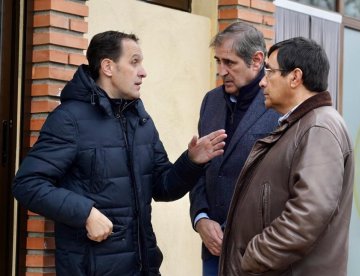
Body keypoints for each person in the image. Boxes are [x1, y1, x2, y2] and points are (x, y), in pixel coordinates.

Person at [12, 30, 227, 276]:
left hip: (143, 266)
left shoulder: (141, 121)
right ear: (108, 67)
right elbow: (27, 184)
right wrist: (85, 213)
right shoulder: (69, 119)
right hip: (91, 269)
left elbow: (162, 187)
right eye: (134, 62)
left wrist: (190, 162)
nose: (143, 71)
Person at [219, 37, 354, 276]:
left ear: (295, 77)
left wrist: (252, 257)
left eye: (269, 71)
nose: (262, 82)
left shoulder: (318, 127)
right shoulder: (301, 125)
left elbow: (308, 214)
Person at [189, 22, 280, 276]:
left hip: (257, 253)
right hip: (212, 250)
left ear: (257, 60)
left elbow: (280, 183)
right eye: (218, 61)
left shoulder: (279, 105)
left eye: (229, 63)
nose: (221, 71)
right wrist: (201, 218)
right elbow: (199, 168)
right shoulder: (211, 101)